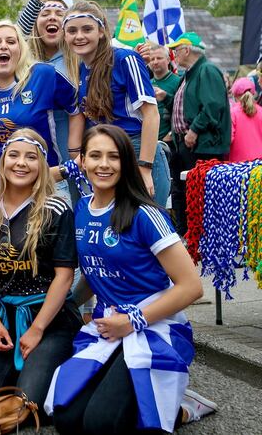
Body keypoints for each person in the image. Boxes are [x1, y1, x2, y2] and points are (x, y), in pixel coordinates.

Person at [46, 124, 215, 434]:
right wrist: (61, 304)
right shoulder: (82, 209)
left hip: (155, 326)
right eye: (95, 155)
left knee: (101, 423)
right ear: (81, 161)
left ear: (126, 162)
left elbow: (192, 286)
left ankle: (180, 405)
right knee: (66, 417)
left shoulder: (145, 215)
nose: (104, 164)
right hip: (110, 326)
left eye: (114, 156)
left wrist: (132, 320)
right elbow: (93, 275)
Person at [0, 129, 80, 421]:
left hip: (50, 320)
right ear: (3, 160)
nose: (21, 163)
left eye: (31, 157)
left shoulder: (56, 209)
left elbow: (65, 276)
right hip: (6, 318)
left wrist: (38, 329)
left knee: (28, 403)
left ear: (42, 165)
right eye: (14, 155)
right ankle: (23, 370)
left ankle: (56, 368)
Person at [61, 1, 170, 208]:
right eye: (72, 31)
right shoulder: (81, 69)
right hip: (105, 156)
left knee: (147, 230)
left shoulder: (125, 59)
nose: (79, 36)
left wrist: (144, 168)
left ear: (101, 31)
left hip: (137, 150)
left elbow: (151, 115)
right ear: (65, 36)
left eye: (87, 29)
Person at [0, 19, 83, 201]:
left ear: (20, 49)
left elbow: (77, 110)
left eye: (11, 41)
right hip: (1, 190)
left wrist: (75, 155)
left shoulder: (43, 74)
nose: (3, 46)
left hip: (48, 186)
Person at [165, 31, 231, 235]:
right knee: (186, 192)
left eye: (176, 50)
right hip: (187, 144)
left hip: (202, 145)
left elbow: (213, 106)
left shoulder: (207, 70)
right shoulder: (190, 74)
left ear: (186, 50)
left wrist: (194, 130)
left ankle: (205, 237)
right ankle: (189, 234)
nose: (173, 54)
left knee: (201, 194)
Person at [148, 43, 181, 147]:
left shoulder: (178, 82)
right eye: (152, 59)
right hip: (149, 140)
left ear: (168, 60)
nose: (155, 62)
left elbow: (184, 113)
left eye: (159, 58)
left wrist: (171, 134)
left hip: (169, 142)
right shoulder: (146, 83)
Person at [228, 77, 262, 162]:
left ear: (235, 95)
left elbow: (228, 139)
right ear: (253, 93)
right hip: (259, 163)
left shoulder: (232, 112)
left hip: (238, 165)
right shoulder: (261, 111)